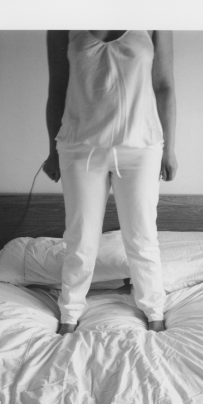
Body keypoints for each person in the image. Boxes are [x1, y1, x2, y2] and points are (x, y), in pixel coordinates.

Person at [43, 30, 178, 334]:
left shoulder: (154, 20)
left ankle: (153, 310)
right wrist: (52, 151)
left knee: (142, 236)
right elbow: (57, 89)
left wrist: (169, 150)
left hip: (141, 146)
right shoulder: (63, 24)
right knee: (80, 238)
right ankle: (70, 313)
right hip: (79, 147)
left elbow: (164, 86)